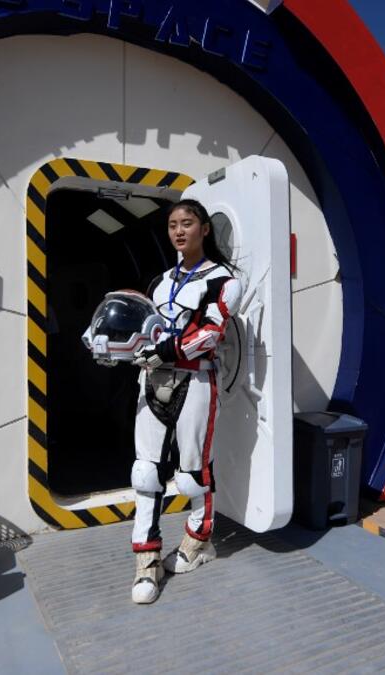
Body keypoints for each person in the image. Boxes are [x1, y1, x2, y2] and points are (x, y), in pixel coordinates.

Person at [127, 198, 242, 604]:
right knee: (145, 473)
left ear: (205, 229)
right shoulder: (158, 282)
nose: (179, 231)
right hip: (152, 381)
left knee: (193, 471)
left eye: (188, 223)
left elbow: (213, 332)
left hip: (196, 380)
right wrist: (123, 347)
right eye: (173, 224)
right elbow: (146, 328)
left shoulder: (224, 279)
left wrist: (167, 351)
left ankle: (199, 539)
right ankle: (146, 559)